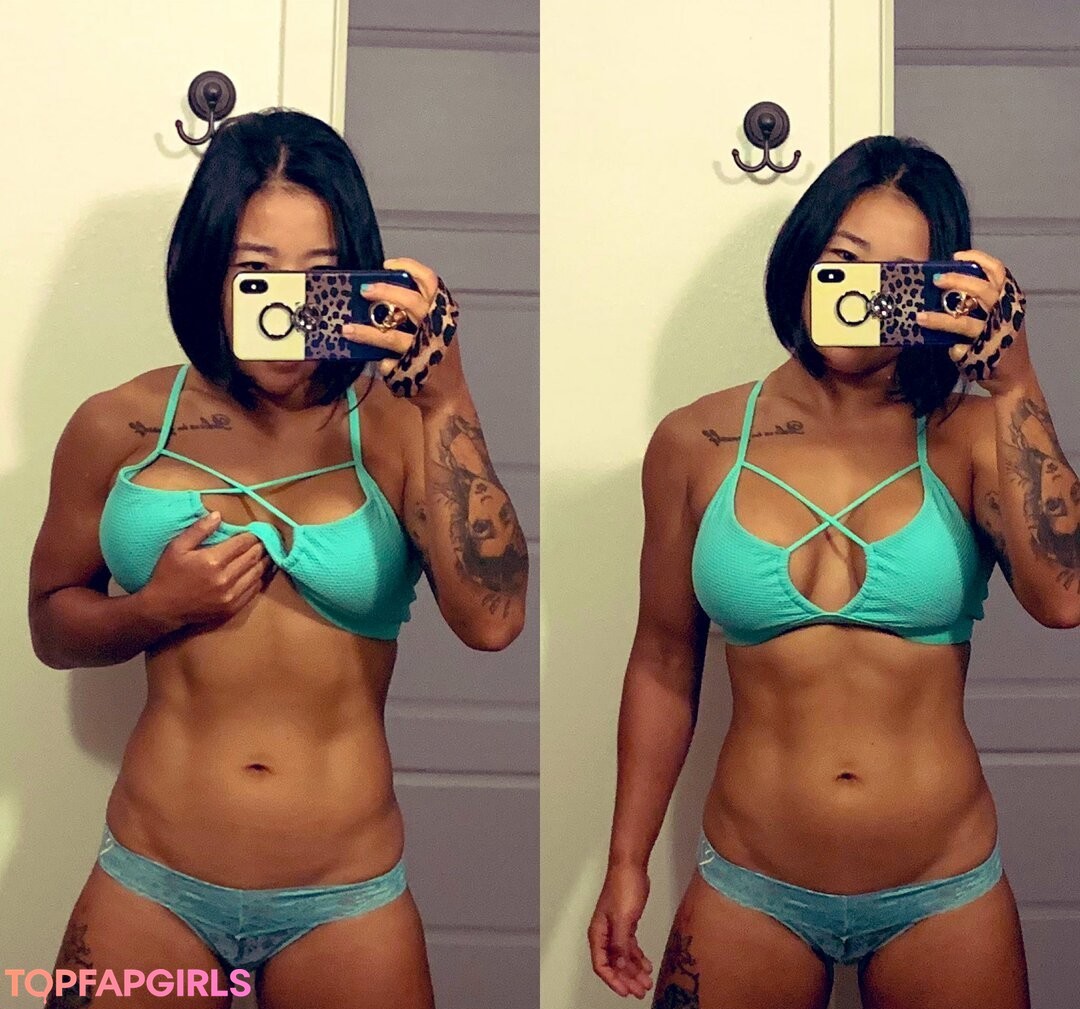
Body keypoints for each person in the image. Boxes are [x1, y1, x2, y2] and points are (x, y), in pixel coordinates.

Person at [28, 108, 527, 1009]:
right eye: (254, 271)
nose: (288, 304)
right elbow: (50, 622)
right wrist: (153, 609)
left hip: (345, 897)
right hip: (151, 879)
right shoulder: (121, 423)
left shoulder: (396, 426)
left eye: (320, 274)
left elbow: (493, 621)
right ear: (207, 270)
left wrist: (447, 397)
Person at [588, 136, 1078, 1009]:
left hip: (944, 886)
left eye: (899, 278)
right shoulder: (698, 441)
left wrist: (1016, 385)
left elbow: (1063, 597)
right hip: (749, 882)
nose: (863, 293)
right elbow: (662, 660)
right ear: (804, 258)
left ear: (936, 295)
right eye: (845, 261)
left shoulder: (968, 433)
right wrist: (626, 860)